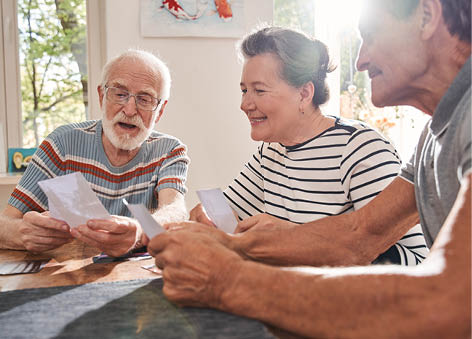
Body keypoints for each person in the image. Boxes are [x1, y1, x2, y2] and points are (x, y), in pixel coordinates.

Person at [148, 0, 471, 337]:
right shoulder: (435, 136)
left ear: (428, 15)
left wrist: (228, 279)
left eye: (371, 36)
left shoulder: (374, 142)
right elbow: (360, 235)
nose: (360, 61)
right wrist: (235, 247)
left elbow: (450, 302)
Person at [190, 26, 428, 265]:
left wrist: (294, 239)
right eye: (244, 90)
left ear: (304, 93)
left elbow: (417, 262)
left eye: (259, 90)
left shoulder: (359, 148)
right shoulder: (272, 150)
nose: (244, 104)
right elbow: (230, 211)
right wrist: (208, 215)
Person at [0, 49, 189, 257]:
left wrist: (140, 232)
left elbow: (175, 211)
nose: (129, 110)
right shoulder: (62, 143)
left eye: (145, 100)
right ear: (101, 96)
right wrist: (23, 234)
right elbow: (6, 222)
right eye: (120, 94)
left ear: (160, 111)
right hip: (65, 276)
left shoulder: (170, 150)